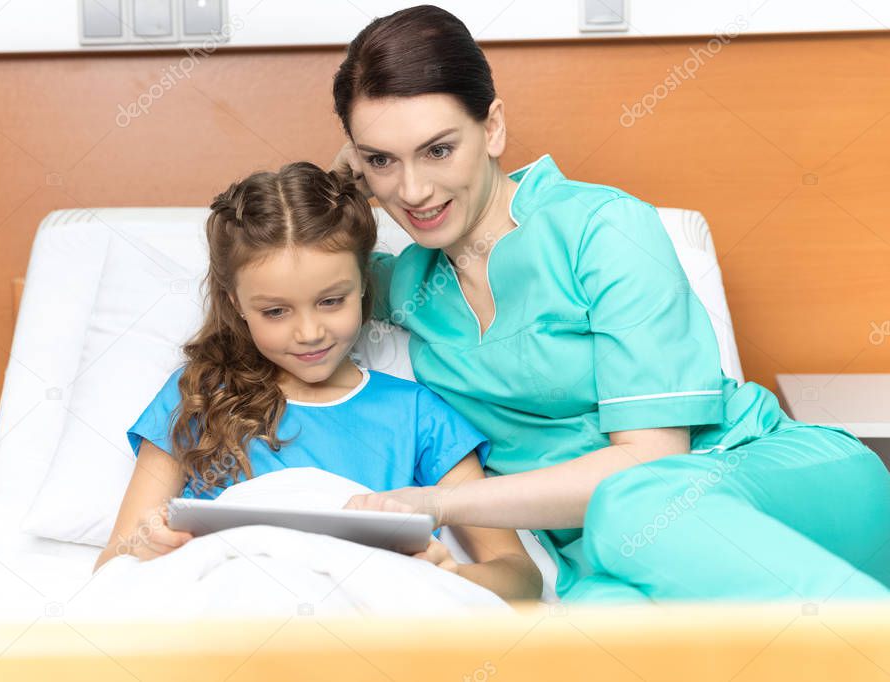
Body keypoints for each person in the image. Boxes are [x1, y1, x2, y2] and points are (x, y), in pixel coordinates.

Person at [332, 5, 890, 601]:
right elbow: (289, 265)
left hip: (769, 482)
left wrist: (437, 502)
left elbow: (649, 461)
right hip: (606, 555)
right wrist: (335, 181)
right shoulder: (398, 284)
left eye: (438, 150)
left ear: (492, 127)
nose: (412, 191)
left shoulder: (604, 229)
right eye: (382, 161)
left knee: (631, 508)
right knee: (595, 621)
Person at [93, 161, 542, 602]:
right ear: (237, 303)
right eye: (275, 311)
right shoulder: (196, 397)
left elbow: (520, 577)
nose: (309, 333)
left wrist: (450, 574)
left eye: (330, 301)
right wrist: (148, 546)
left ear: (364, 284)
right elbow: (112, 566)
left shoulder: (418, 414)